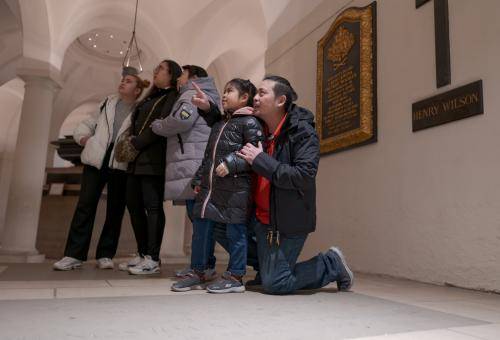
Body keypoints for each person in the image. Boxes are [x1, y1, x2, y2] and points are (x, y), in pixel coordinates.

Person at [235, 75, 354, 294]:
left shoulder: (302, 131)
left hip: (286, 222)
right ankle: (268, 267)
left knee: (276, 283)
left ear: (280, 101)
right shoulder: (258, 128)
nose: (255, 98)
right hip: (260, 220)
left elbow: (303, 176)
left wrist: (260, 160)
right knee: (220, 226)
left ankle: (330, 263)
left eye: (262, 93)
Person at [171, 78, 263, 293]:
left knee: (235, 232)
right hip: (210, 187)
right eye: (223, 90)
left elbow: (256, 154)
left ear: (244, 98)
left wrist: (232, 164)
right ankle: (199, 270)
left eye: (229, 91)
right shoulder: (221, 123)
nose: (224, 95)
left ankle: (235, 275)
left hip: (235, 190)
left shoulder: (250, 122)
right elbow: (208, 158)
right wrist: (198, 179)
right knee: (201, 228)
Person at [53, 74, 149, 271]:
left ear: (137, 90)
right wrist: (83, 139)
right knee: (85, 205)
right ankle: (73, 255)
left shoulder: (140, 109)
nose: (122, 82)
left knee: (115, 210)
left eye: (128, 81)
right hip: (96, 159)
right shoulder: (108, 102)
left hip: (121, 162)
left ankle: (105, 255)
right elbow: (89, 123)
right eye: (122, 79)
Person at [151, 65, 220, 280]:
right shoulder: (202, 94)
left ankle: (201, 267)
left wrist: (158, 125)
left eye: (182, 74)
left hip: (193, 164)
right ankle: (202, 265)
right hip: (194, 161)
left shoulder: (191, 93)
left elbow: (182, 119)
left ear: (194, 77)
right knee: (200, 220)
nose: (179, 79)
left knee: (200, 220)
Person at [124, 60, 182, 275]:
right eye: (155, 67)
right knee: (133, 204)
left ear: (172, 75)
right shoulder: (150, 96)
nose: (155, 71)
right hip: (136, 159)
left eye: (160, 69)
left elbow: (162, 124)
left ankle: (153, 257)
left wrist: (139, 141)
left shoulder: (172, 97)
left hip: (154, 158)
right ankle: (141, 253)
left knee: (153, 207)